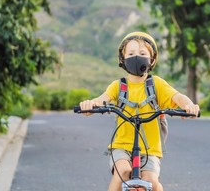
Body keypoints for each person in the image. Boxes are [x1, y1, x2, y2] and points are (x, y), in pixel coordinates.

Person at [79, 31, 200, 191]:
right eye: (131, 53)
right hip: (121, 145)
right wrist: (90, 105)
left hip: (150, 149)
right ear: (122, 59)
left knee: (151, 182)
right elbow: (102, 99)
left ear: (152, 59)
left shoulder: (156, 84)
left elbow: (177, 97)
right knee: (123, 171)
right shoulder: (118, 86)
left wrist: (189, 105)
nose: (136, 56)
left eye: (142, 53)